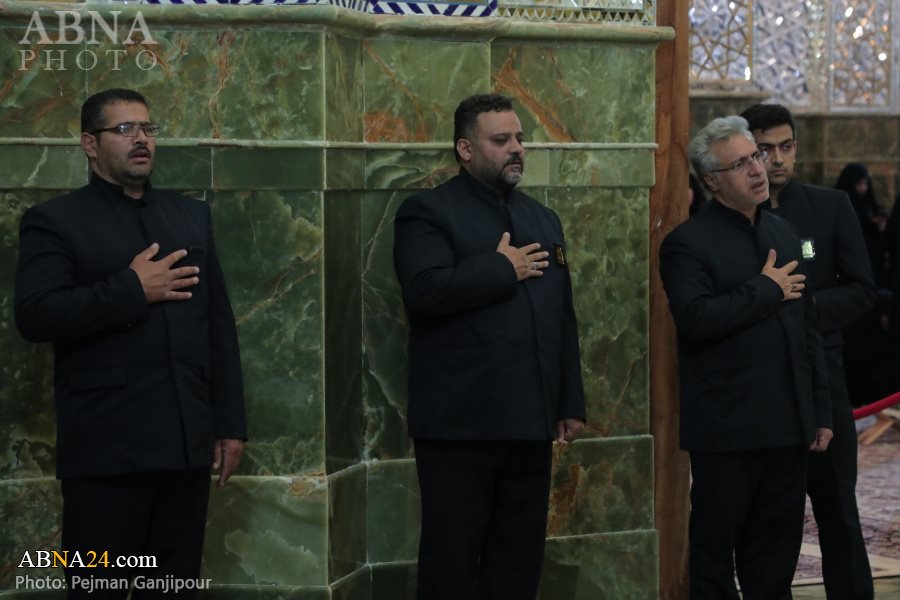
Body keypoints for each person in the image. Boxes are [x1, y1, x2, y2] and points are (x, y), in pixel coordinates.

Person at [14, 88, 247, 598]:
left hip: (184, 447)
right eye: (123, 129)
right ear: (89, 144)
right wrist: (131, 289)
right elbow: (36, 314)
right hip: (105, 453)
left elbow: (217, 326)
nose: (141, 139)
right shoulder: (55, 221)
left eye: (147, 128)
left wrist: (229, 425)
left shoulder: (190, 216)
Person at [393, 94, 586, 600]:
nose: (516, 148)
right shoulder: (427, 213)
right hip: (460, 427)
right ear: (465, 149)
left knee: (518, 562)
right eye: (501, 140)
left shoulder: (543, 218)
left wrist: (569, 401)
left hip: (530, 423)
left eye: (519, 138)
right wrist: (501, 269)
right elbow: (424, 293)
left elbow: (562, 316)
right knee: (452, 564)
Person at [659, 115, 832, 600]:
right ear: (712, 181)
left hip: (787, 428)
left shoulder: (785, 232)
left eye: (755, 156)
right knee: (714, 561)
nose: (758, 169)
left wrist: (819, 409)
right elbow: (696, 318)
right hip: (726, 431)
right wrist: (765, 290)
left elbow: (808, 328)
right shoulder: (686, 244)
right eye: (741, 164)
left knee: (775, 562)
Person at [741, 103, 876, 600]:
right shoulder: (732, 216)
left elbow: (862, 289)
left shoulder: (830, 206)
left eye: (786, 147)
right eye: (764, 149)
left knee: (837, 506)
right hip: (757, 382)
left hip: (823, 375)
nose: (776, 159)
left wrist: (804, 309)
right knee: (768, 515)